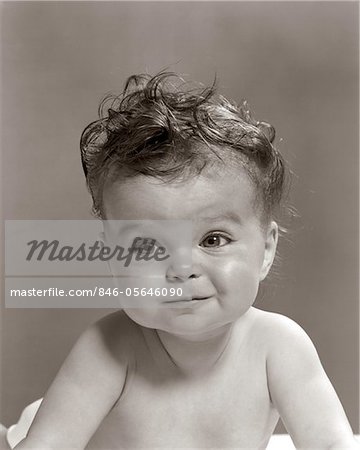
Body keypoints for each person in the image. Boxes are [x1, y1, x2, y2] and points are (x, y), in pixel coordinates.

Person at [13, 72, 359, 449]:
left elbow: (332, 445)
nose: (181, 269)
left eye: (213, 240)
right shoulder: (109, 348)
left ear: (265, 249)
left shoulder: (278, 347)